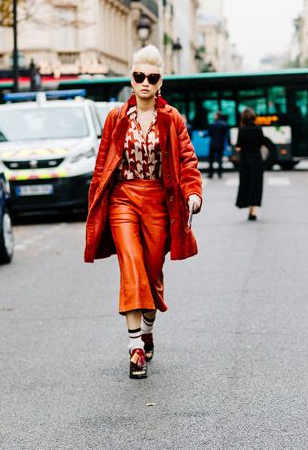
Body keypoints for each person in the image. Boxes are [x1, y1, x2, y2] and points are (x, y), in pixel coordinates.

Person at [84, 44, 203, 380]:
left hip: (158, 202)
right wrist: (96, 203)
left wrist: (193, 195)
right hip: (122, 199)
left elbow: (188, 162)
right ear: (131, 80)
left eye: (152, 77)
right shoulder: (116, 118)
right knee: (132, 266)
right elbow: (102, 164)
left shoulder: (172, 118)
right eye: (139, 76)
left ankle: (147, 330)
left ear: (161, 82)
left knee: (151, 273)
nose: (145, 82)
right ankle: (135, 347)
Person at [235, 108, 264, 220]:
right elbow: (261, 144)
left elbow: (238, 146)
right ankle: (253, 208)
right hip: (257, 160)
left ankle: (248, 206)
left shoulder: (242, 130)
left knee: (246, 183)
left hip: (245, 161)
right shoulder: (259, 129)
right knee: (256, 184)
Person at [206, 111, 230, 179]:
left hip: (213, 144)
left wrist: (202, 135)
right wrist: (228, 144)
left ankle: (210, 174)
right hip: (220, 144)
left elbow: (209, 133)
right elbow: (227, 135)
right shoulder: (224, 124)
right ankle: (220, 174)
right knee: (220, 159)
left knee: (211, 160)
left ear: (217, 116)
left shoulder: (213, 124)